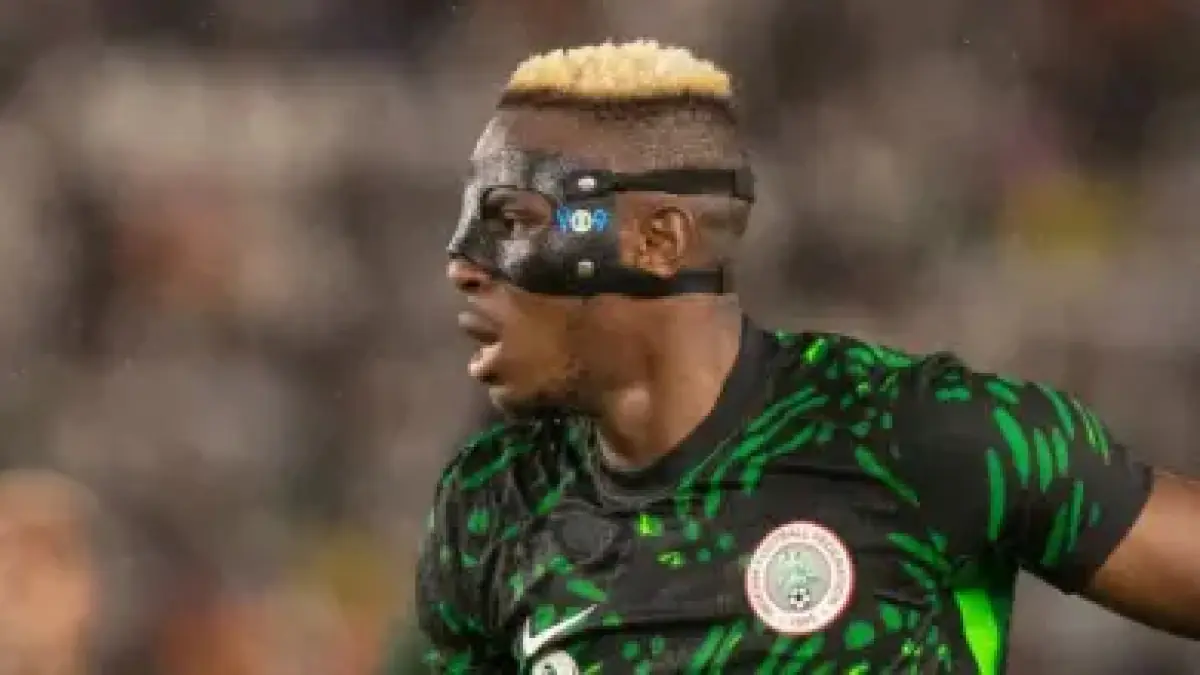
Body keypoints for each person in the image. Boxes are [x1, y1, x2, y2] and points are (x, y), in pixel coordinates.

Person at [402, 41, 1200, 673]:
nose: (463, 264)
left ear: (657, 240)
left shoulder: (915, 434)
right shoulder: (492, 503)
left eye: (512, 219)